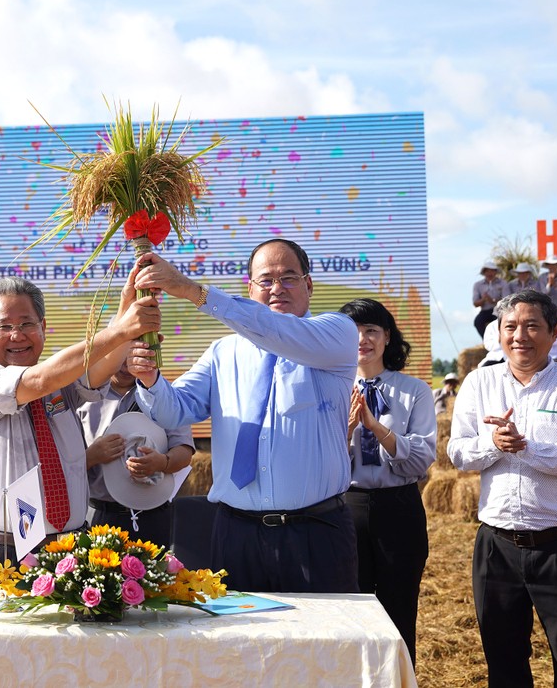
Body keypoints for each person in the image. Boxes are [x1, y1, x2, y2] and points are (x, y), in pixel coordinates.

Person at [126, 238, 358, 593]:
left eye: (289, 278)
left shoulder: (335, 335)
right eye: (265, 280)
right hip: (237, 535)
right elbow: (175, 410)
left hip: (315, 534)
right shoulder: (224, 352)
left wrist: (189, 290)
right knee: (240, 645)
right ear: (249, 289)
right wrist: (150, 379)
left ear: (309, 285)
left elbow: (276, 331)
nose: (277, 288)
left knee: (322, 645)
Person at [448, 289, 557, 688]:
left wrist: (528, 448)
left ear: (554, 333)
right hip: (496, 546)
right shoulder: (478, 382)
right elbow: (458, 453)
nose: (520, 335)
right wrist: (493, 444)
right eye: (510, 326)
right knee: (503, 662)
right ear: (498, 334)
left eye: (532, 325)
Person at [0, 273, 159, 584]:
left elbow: (99, 364)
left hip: (72, 544)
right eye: (5, 326)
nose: (17, 335)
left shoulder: (59, 378)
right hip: (8, 551)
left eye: (26, 324)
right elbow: (40, 381)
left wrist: (127, 306)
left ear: (43, 328)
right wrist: (120, 330)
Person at [341, 298, 436, 666]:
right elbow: (319, 458)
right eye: (353, 332)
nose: (362, 340)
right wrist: (346, 430)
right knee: (353, 610)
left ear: (387, 338)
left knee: (399, 610)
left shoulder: (415, 391)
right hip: (347, 507)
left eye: (371, 331)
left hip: (399, 505)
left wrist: (376, 427)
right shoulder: (331, 388)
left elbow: (422, 458)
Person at [78, 356, 195, 547]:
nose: (126, 366)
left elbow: (184, 451)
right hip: (99, 515)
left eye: (134, 358)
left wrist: (162, 462)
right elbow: (63, 464)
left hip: (153, 515)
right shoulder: (83, 397)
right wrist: (91, 456)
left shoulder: (164, 395)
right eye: (120, 357)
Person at [472, 260, 506, 338]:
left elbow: (506, 300)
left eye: (492, 271)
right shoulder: (478, 285)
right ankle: (487, 341)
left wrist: (493, 300)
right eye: (487, 271)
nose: (490, 273)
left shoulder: (503, 283)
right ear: (484, 272)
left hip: (499, 310)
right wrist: (483, 300)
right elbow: (475, 303)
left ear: (495, 272)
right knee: (477, 322)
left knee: (501, 322)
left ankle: (502, 341)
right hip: (485, 311)